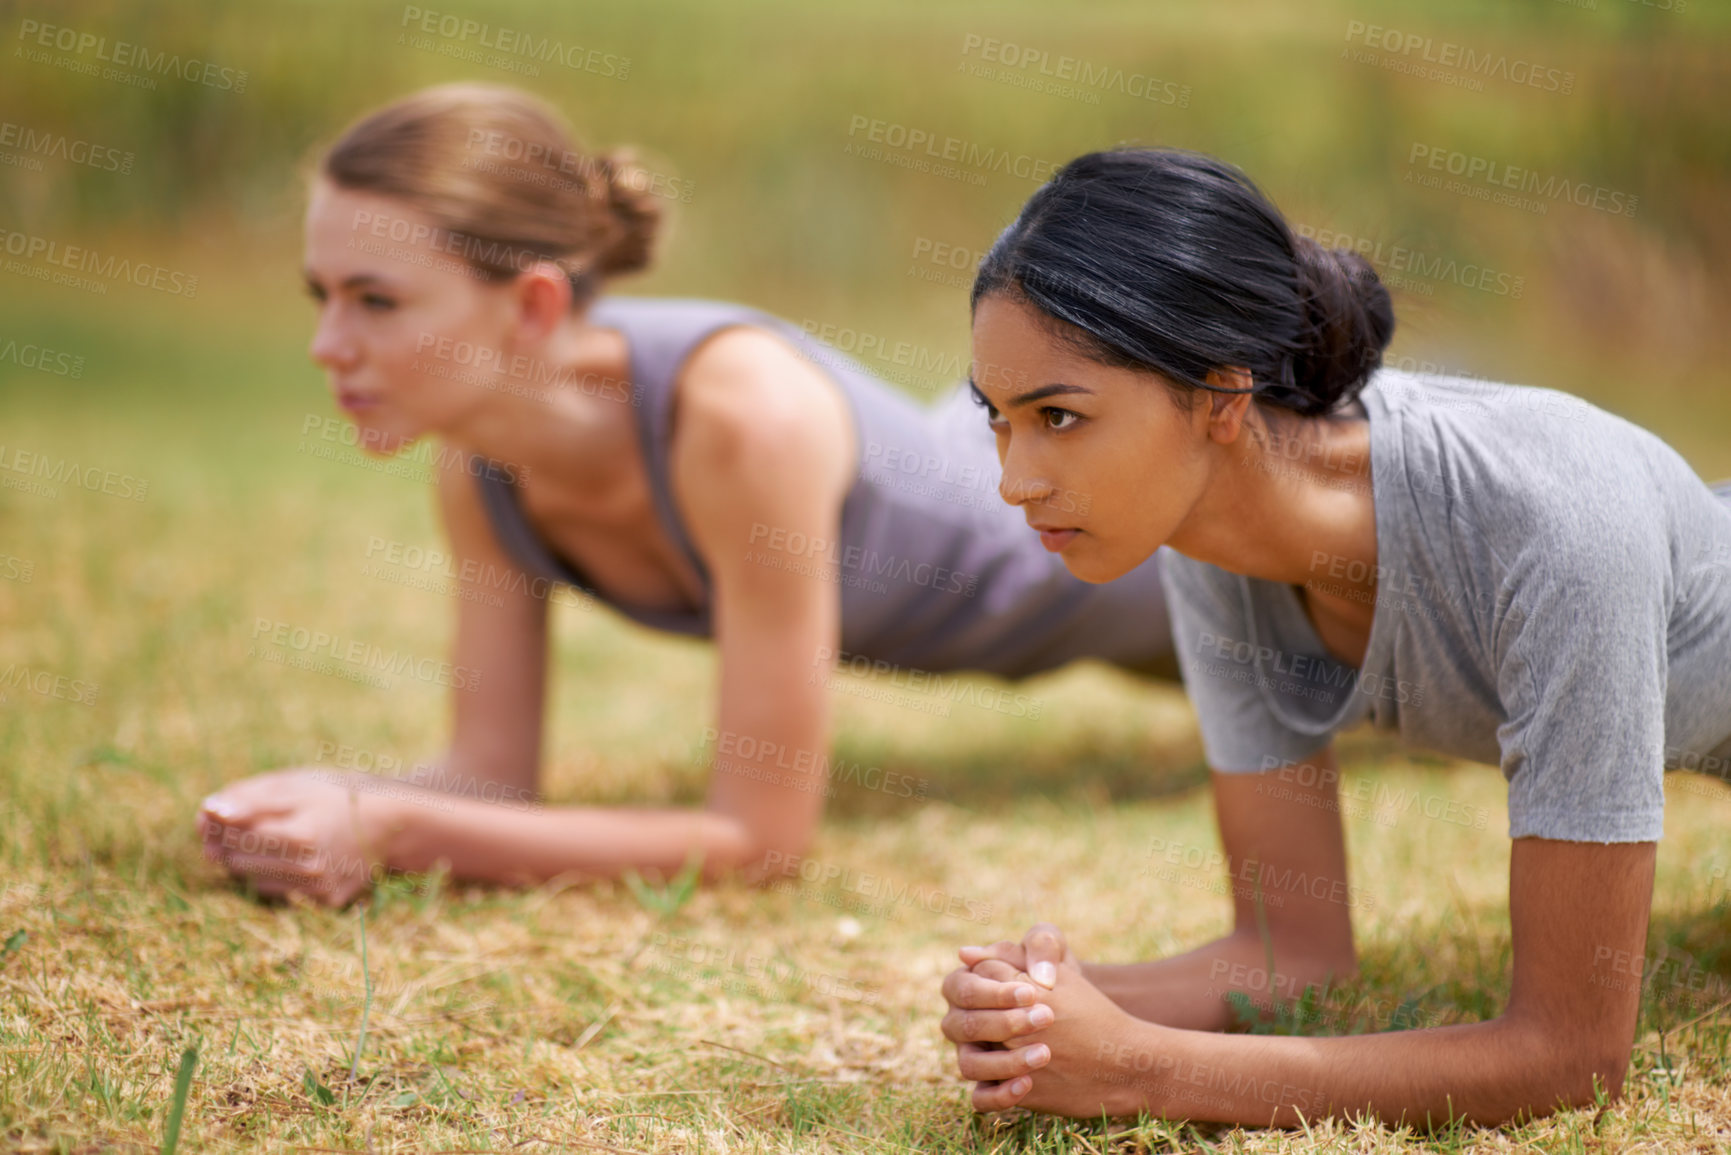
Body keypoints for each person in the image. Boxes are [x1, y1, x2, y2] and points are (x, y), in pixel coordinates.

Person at [195, 85, 1179, 905]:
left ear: (534, 303)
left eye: (376, 300)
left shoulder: (745, 421)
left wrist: (395, 831)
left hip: (1159, 558)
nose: (328, 344)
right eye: (318, 296)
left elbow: (758, 841)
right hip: (1096, 627)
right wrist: (319, 805)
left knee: (1322, 658)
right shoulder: (479, 465)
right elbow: (490, 779)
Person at [938, 147, 1731, 1128]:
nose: (1015, 480)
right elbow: (1288, 954)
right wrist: (1047, 1006)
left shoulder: (1560, 525)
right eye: (1001, 422)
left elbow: (1570, 1054)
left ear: (1222, 394)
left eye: (1059, 416)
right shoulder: (1202, 531)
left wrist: (1139, 1071)